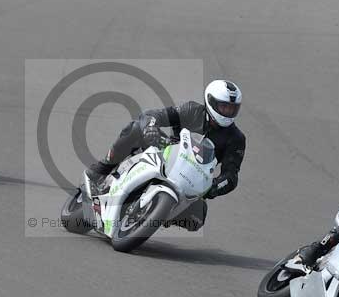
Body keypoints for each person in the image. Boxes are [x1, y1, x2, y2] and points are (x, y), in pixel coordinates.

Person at [85, 79, 246, 231]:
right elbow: (155, 115)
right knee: (135, 128)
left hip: (193, 179)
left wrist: (214, 187)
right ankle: (102, 169)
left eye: (232, 108)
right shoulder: (192, 110)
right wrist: (150, 128)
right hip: (168, 153)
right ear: (211, 102)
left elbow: (231, 175)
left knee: (197, 218)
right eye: (224, 107)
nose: (228, 112)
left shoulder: (236, 139)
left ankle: (156, 216)